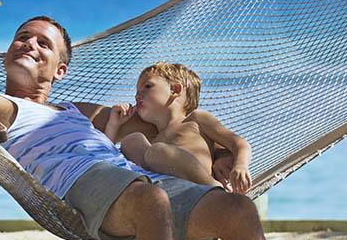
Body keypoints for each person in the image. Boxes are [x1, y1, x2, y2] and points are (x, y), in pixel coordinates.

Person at [0, 16, 305, 240]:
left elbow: (172, 126)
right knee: (150, 199)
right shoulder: (0, 108)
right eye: (22, 37)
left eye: (43, 43)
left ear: (60, 70)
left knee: (237, 208)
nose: (29, 44)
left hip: (137, 179)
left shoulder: (76, 110)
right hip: (82, 183)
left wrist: (221, 155)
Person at [103, 62, 252, 193]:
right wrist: (113, 124)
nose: (137, 95)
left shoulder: (196, 120)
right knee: (132, 141)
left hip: (201, 189)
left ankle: (215, 190)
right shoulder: (151, 139)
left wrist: (240, 166)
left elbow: (238, 143)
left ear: (175, 90)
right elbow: (106, 158)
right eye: (136, 91)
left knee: (157, 151)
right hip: (164, 193)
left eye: (147, 86)